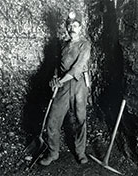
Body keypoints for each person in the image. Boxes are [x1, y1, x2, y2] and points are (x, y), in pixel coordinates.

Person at [41, 12, 92, 166]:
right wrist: (55, 78)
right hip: (63, 85)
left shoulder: (85, 45)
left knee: (79, 119)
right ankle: (53, 152)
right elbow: (58, 65)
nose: (72, 28)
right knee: (53, 119)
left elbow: (77, 68)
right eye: (69, 25)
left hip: (79, 84)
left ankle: (80, 152)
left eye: (75, 26)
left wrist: (60, 81)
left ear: (81, 27)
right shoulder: (63, 44)